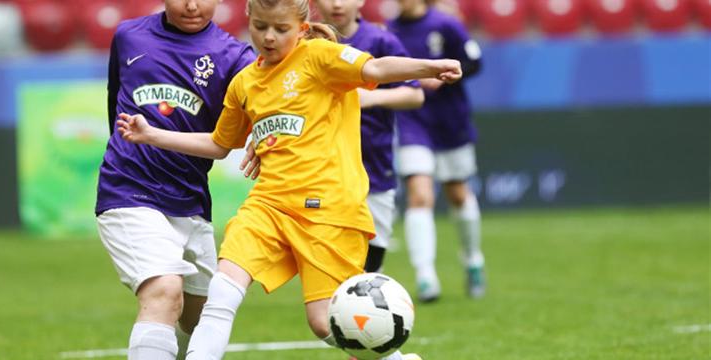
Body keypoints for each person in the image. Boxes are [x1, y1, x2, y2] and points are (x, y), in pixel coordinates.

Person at [114, 0, 462, 356]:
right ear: (249, 21)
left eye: (281, 29)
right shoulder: (244, 82)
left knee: (325, 322)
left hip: (328, 210)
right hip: (268, 206)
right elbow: (219, 145)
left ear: (302, 28)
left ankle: (394, 356)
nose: (269, 37)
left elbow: (374, 68)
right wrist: (151, 134)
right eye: (261, 26)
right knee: (221, 289)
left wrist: (430, 66)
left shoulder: (320, 57)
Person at [93, 0, 256, 358]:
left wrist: (261, 136)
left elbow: (261, 113)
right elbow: (115, 106)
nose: (192, 5)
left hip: (190, 199)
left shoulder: (235, 57)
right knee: (164, 292)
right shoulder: (129, 36)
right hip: (129, 189)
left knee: (198, 319)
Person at [313, 0, 425, 273]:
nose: (337, 4)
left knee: (371, 263)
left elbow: (415, 94)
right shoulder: (305, 42)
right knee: (329, 262)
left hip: (372, 162)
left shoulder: (380, 40)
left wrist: (372, 98)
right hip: (321, 167)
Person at [388, 0, 486, 302]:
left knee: (458, 194)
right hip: (412, 121)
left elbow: (474, 61)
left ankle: (473, 260)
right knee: (419, 195)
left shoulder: (446, 24)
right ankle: (425, 277)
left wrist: (447, 75)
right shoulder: (390, 32)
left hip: (450, 122)